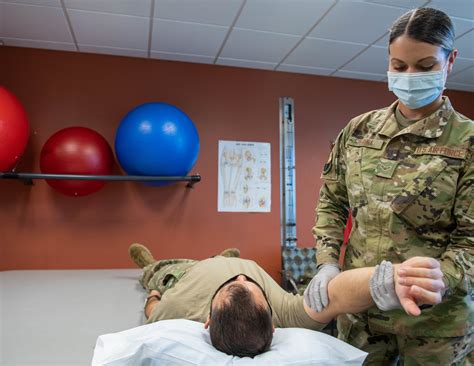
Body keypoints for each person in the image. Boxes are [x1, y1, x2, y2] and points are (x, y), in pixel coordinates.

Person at [305, 7, 473, 365]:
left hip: (434, 326)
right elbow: (332, 202)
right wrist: (326, 265)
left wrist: (436, 280)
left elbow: (470, 241)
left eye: (425, 66)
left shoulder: (468, 142)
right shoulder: (358, 131)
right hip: (361, 317)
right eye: (399, 66)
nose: (410, 75)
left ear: (450, 61)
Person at [129, 243, 445, 359]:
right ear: (273, 321)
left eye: (236, 284)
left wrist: (155, 294)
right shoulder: (285, 313)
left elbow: (153, 310)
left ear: (208, 319)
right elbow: (336, 297)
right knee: (185, 264)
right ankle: (219, 257)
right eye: (249, 286)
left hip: (189, 274)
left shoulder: (177, 310)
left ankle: (150, 263)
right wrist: (383, 280)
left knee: (159, 273)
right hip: (204, 263)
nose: (241, 278)